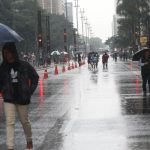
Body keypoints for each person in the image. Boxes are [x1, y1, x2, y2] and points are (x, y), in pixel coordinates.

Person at [0, 42, 39, 150]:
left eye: (8, 52)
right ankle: (10, 147)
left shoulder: (24, 65)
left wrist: (29, 91)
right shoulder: (2, 67)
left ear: (13, 52)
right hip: (9, 98)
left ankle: (29, 139)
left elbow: (35, 77)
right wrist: (3, 90)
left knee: (24, 121)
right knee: (10, 122)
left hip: (23, 98)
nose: (6, 55)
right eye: (4, 53)